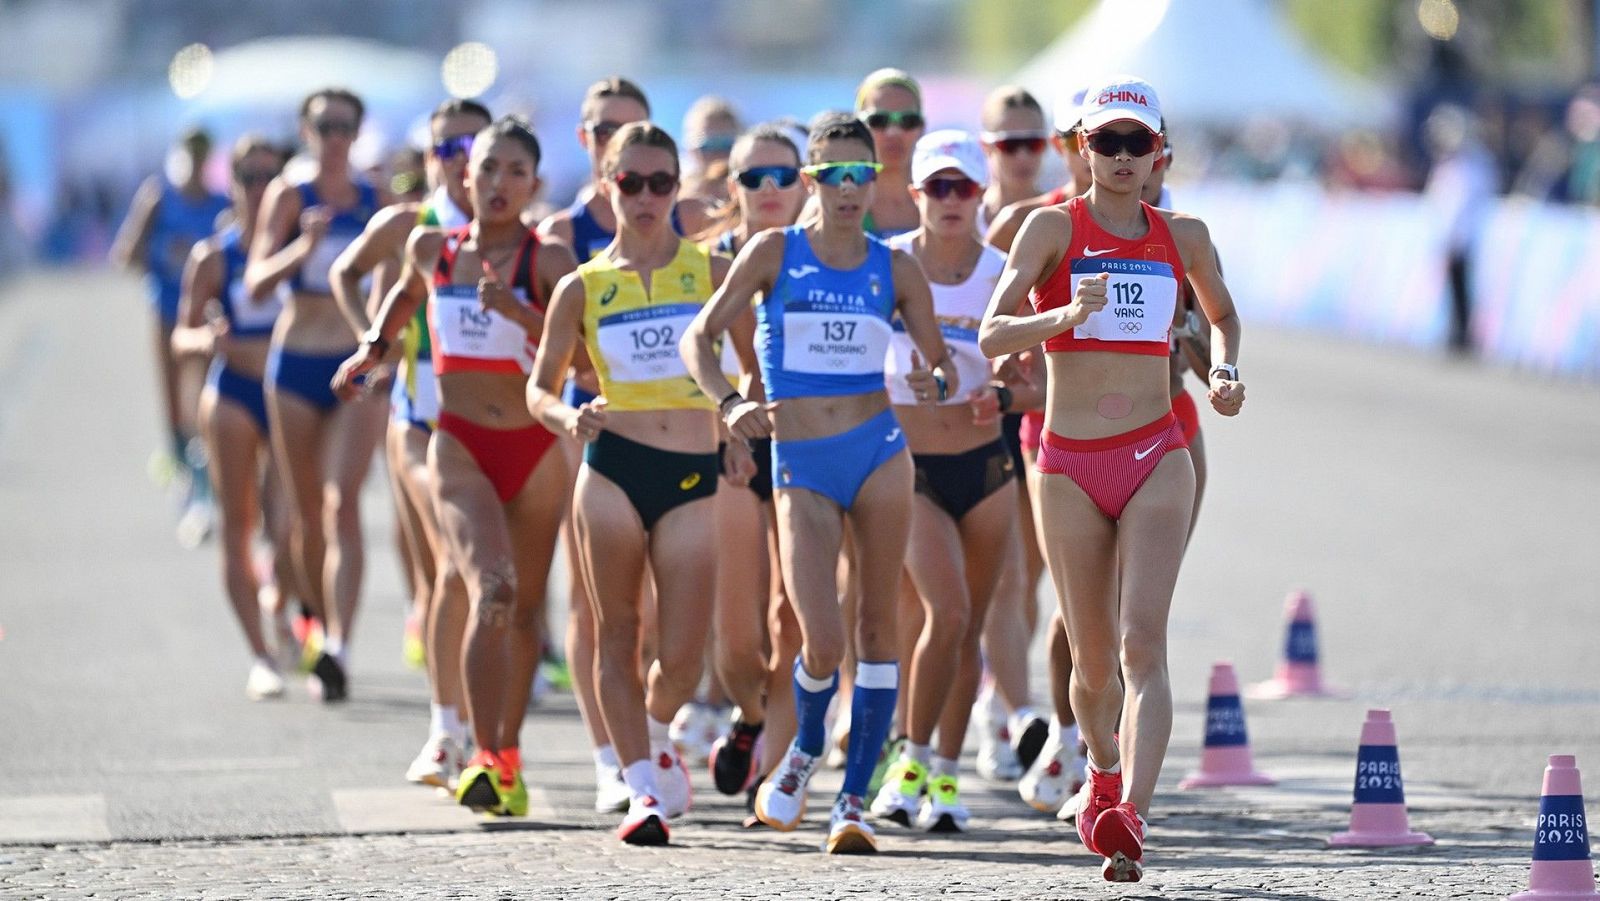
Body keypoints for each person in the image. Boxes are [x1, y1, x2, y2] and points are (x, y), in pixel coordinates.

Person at [978, 76, 1245, 883]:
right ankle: (1098, 770)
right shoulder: (1050, 229)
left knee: (1141, 643)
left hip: (1156, 452)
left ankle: (1133, 811)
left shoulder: (1185, 235)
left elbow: (1223, 316)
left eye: (1138, 142)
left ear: (1158, 150)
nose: (1124, 158)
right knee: (1091, 662)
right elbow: (991, 334)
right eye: (1108, 142)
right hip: (1066, 464)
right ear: (1081, 147)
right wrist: (1061, 314)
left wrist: (1226, 371)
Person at [682, 113, 955, 854]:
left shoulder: (894, 267)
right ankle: (804, 748)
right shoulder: (776, 252)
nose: (846, 189)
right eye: (831, 175)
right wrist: (732, 403)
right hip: (801, 462)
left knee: (876, 627)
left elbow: (939, 355)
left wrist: (939, 373)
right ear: (811, 181)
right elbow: (697, 335)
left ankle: (855, 803)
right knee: (822, 638)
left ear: (875, 181)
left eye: (859, 175)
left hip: (879, 452)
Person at [336, 116, 576, 816]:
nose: (498, 183)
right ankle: (477, 750)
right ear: (464, 177)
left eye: (515, 173)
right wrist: (372, 350)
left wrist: (523, 314)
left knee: (527, 609)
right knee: (490, 588)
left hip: (535, 448)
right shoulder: (432, 247)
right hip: (460, 442)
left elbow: (585, 362)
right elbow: (404, 298)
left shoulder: (550, 262)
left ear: (534, 186)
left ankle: (507, 755)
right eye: (487, 168)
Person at [528, 122, 730, 845]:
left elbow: (744, 367)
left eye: (660, 183)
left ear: (678, 188)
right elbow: (539, 387)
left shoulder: (709, 271)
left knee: (682, 654)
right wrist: (566, 413)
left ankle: (649, 727)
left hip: (690, 471)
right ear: (607, 186)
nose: (646, 198)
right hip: (611, 467)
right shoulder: (584, 285)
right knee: (617, 631)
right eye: (631, 183)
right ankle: (639, 785)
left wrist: (735, 430)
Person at [329, 98, 492, 786]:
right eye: (445, 147)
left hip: (493, 419)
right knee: (447, 570)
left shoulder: (519, 234)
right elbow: (345, 272)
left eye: (470, 146)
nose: (457, 159)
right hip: (419, 415)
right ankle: (449, 732)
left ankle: (480, 732)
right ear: (429, 158)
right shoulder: (410, 223)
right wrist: (380, 346)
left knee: (476, 577)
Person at [868, 131, 1014, 834]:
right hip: (908, 466)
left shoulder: (1004, 270)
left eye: (965, 187)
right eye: (938, 187)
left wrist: (1009, 396)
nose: (952, 201)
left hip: (987, 467)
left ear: (982, 194)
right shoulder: (886, 264)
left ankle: (947, 779)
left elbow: (1039, 374)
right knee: (945, 611)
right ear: (915, 192)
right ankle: (909, 760)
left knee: (968, 630)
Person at [246, 87, 387, 701]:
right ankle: (314, 617)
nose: (334, 137)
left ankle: (339, 645)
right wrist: (301, 248)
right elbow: (254, 281)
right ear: (306, 132)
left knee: (343, 504)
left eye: (345, 126)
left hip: (353, 366)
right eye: (324, 125)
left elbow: (391, 283)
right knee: (305, 515)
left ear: (358, 133)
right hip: (296, 362)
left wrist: (382, 345)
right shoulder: (289, 195)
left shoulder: (375, 199)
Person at [697, 124, 808, 800]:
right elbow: (693, 352)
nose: (769, 190)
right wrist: (728, 411)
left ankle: (773, 780)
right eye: (752, 178)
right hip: (732, 445)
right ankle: (750, 714)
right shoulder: (704, 261)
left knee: (789, 620)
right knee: (738, 637)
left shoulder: (833, 257)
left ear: (804, 184)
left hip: (805, 445)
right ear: (730, 187)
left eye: (782, 177)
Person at [170, 135, 291, 698]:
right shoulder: (216, 255)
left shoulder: (303, 247)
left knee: (291, 526)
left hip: (291, 393)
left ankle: (287, 608)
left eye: (270, 175)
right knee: (238, 528)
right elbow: (181, 335)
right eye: (247, 175)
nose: (259, 186)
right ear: (232, 182)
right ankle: (260, 655)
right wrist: (210, 340)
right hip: (236, 392)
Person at [109, 126, 231, 545]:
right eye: (191, 153)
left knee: (204, 403)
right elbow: (125, 254)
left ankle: (206, 491)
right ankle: (185, 475)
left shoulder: (221, 202)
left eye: (203, 153)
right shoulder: (159, 196)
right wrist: (166, 254)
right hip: (167, 314)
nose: (196, 162)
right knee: (175, 404)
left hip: (208, 315)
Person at [855, 68, 925, 238]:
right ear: (858, 127)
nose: (894, 132)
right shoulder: (834, 200)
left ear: (922, 128)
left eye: (908, 121)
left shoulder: (946, 196)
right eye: (879, 120)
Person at [977, 86, 1049, 237]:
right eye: (1009, 145)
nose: (1022, 156)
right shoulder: (965, 219)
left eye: (1033, 143)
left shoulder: (1064, 215)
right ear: (985, 146)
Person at [681, 95, 742, 205]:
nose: (717, 156)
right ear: (691, 150)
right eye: (707, 145)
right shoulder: (674, 195)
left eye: (726, 145)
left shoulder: (751, 192)